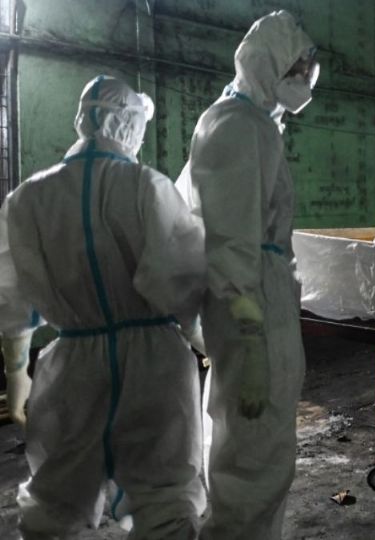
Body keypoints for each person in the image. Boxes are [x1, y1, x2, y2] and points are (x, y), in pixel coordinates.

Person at [0, 75, 208, 538]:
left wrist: (18, 373)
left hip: (73, 365)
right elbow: (184, 280)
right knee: (165, 496)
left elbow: (13, 297)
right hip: (155, 366)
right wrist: (209, 342)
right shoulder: (144, 187)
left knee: (56, 495)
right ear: (127, 124)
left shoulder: (28, 198)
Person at [176, 10, 317, 539]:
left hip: (260, 298)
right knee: (253, 461)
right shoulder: (235, 126)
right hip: (250, 307)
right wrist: (254, 341)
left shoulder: (253, 122)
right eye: (297, 66)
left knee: (255, 451)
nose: (305, 76)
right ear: (268, 64)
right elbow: (231, 245)